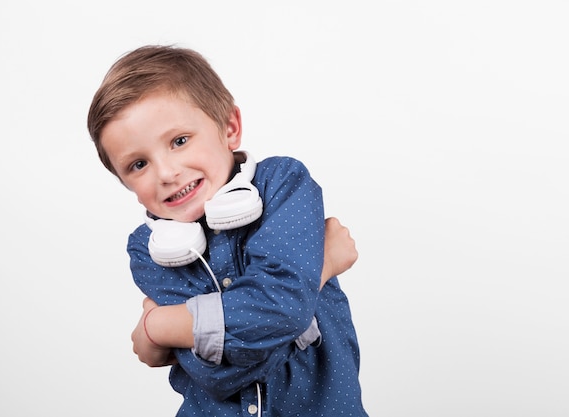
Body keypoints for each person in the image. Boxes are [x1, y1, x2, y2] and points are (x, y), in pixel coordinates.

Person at [87, 44, 368, 416]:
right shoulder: (148, 250)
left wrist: (161, 326)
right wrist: (319, 271)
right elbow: (219, 375)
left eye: (179, 141)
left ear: (229, 128)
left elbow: (278, 310)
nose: (167, 173)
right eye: (138, 164)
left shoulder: (283, 186)